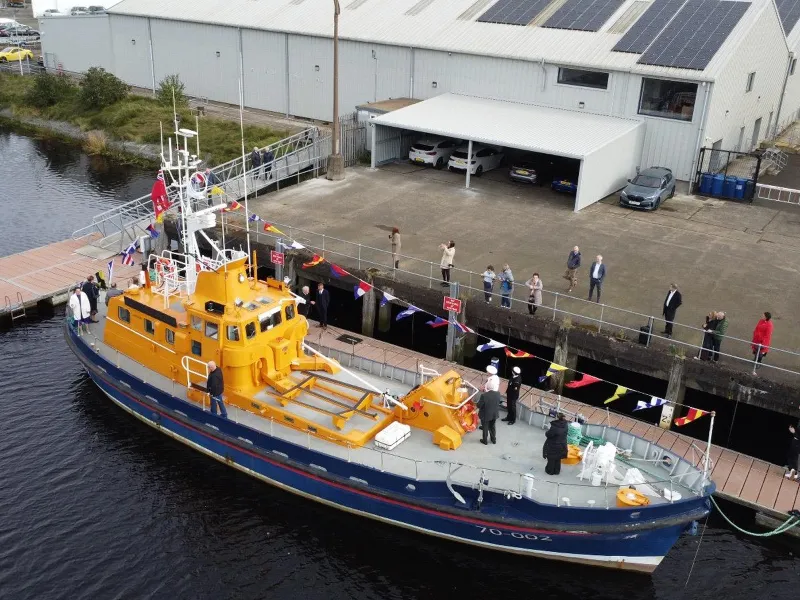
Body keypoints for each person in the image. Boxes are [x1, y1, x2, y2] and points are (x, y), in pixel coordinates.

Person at [786, 406, 800, 480]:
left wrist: (794, 432)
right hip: (796, 440)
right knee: (794, 456)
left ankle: (793, 470)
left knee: (793, 456)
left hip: (797, 440)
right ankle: (794, 472)